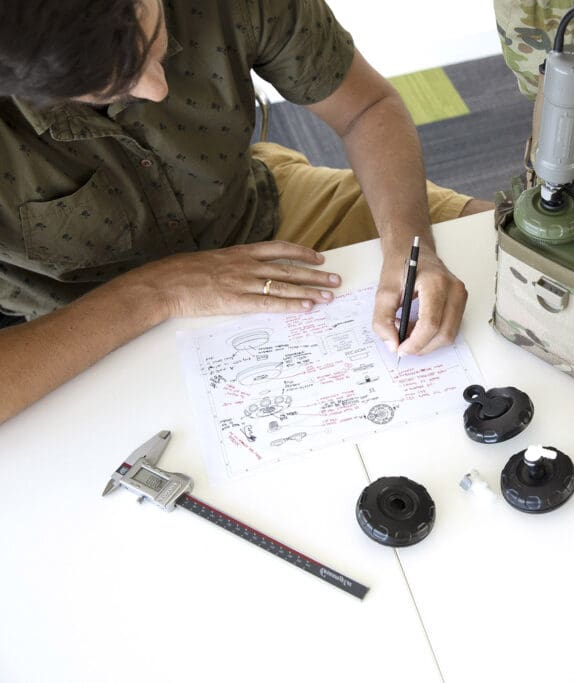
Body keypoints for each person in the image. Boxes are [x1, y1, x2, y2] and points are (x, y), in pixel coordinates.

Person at [0, 0, 491, 424]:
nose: (156, 89)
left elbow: (366, 108)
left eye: (153, 40)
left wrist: (414, 247)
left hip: (255, 213)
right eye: (105, 88)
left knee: (508, 250)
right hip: (81, 320)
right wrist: (159, 292)